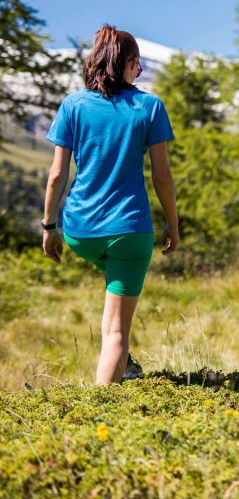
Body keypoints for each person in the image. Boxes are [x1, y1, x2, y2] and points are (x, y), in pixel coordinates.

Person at [42, 25, 179, 385]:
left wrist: (48, 227)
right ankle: (104, 410)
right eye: (139, 66)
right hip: (129, 231)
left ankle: (127, 366)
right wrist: (172, 225)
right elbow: (161, 177)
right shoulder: (149, 107)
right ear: (130, 64)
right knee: (116, 334)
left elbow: (57, 175)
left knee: (111, 286)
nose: (141, 73)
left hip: (79, 231)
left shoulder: (73, 105)